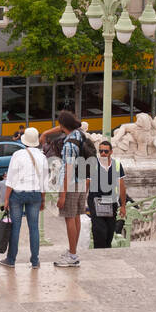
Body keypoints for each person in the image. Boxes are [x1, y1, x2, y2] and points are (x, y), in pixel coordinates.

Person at [0, 127, 47, 268]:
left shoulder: (18, 155)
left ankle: (11, 260)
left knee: (15, 228)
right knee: (34, 229)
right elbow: (44, 181)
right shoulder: (42, 157)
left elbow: (11, 179)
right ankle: (35, 261)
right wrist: (42, 199)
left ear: (24, 140)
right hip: (35, 194)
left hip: (18, 194)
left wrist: (6, 199)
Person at [54, 110, 89, 267]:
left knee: (70, 218)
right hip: (81, 181)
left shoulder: (68, 144)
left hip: (71, 184)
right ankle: (72, 251)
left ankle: (73, 255)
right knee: (76, 217)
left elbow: (67, 170)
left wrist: (62, 195)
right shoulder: (79, 135)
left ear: (62, 126)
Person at [89, 138, 127, 248]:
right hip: (95, 201)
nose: (103, 154)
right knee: (99, 229)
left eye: (105, 151)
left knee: (110, 231)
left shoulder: (117, 165)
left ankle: (106, 252)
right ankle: (99, 254)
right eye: (100, 151)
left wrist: (123, 206)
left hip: (111, 202)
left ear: (111, 152)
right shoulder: (93, 164)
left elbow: (122, 186)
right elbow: (87, 183)